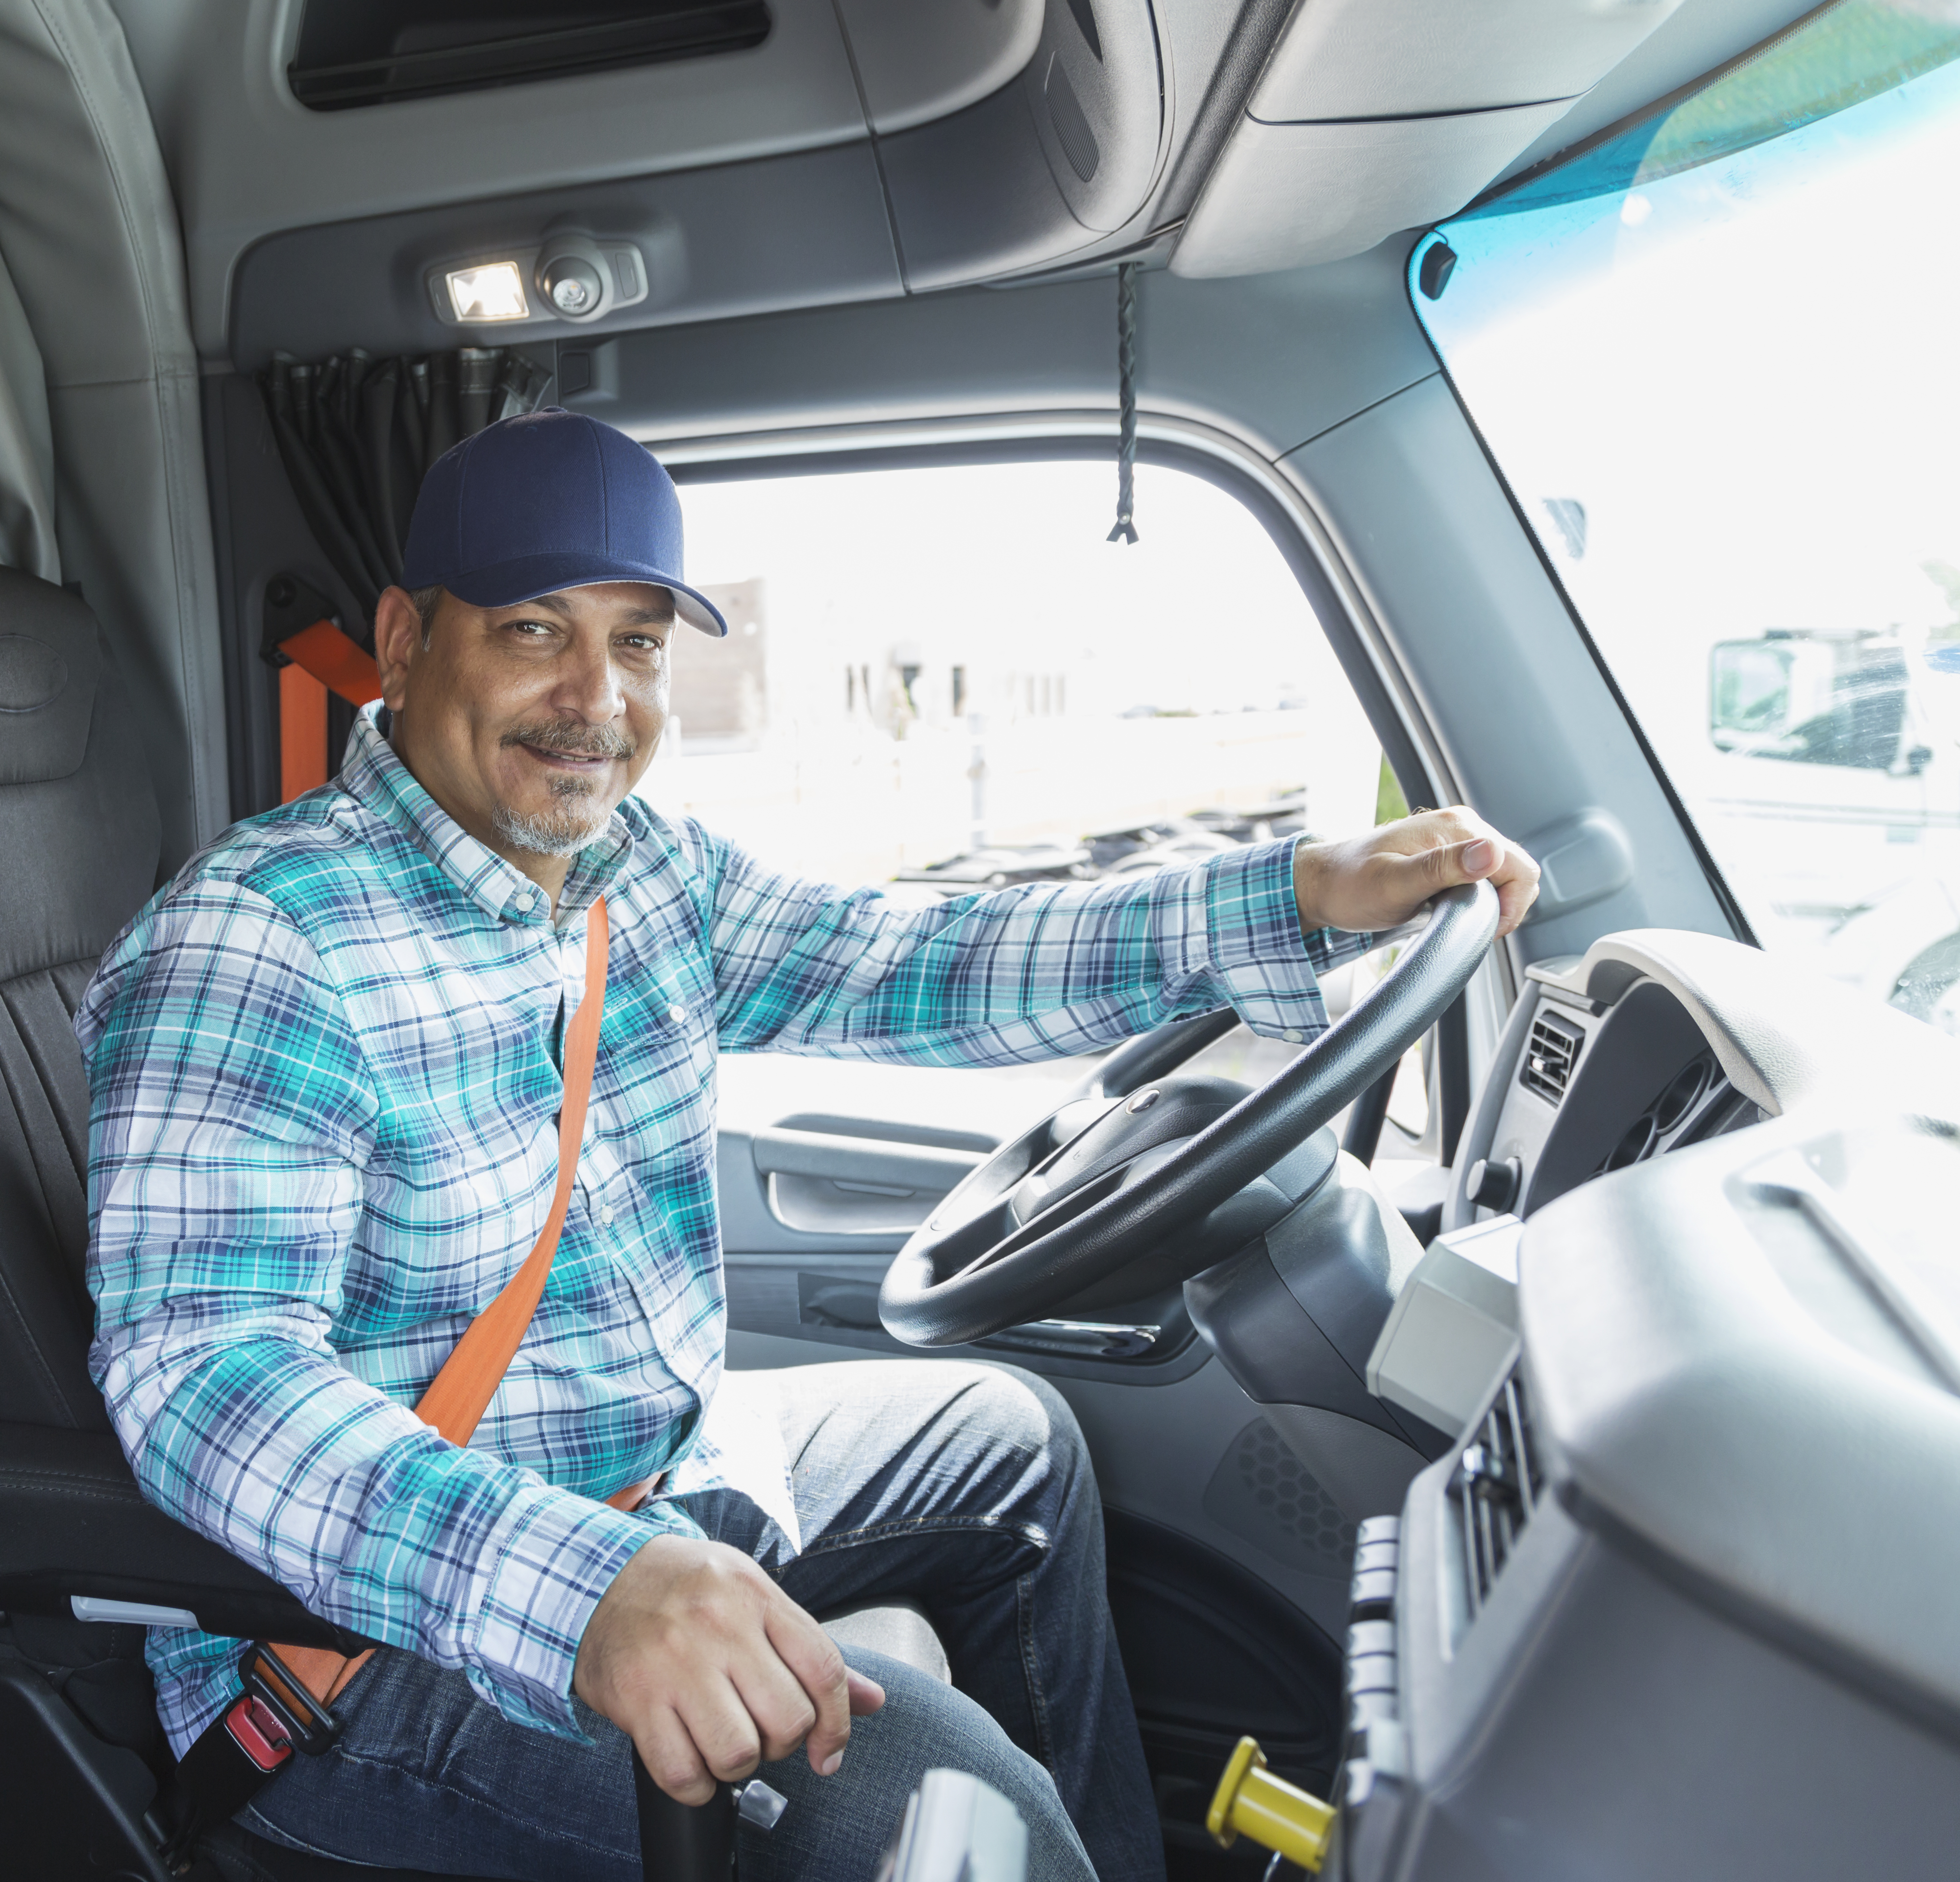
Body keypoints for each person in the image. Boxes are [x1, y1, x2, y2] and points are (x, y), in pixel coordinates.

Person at [78, 410, 1542, 1882]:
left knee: (1011, 1444)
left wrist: (1295, 896)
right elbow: (204, 1377)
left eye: (638, 642)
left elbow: (918, 961)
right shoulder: (259, 940)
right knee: (925, 1783)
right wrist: (591, 1593)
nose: (595, 698)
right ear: (405, 644)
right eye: (534, 630)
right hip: (361, 1656)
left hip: (649, 1476)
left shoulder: (640, 875)